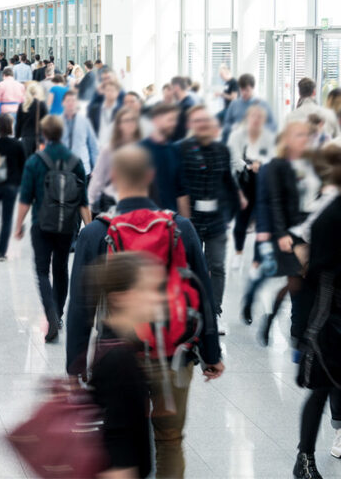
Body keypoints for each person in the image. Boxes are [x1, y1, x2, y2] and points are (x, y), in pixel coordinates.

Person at [67, 145, 224, 479]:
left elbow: (80, 306)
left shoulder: (96, 232)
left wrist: (75, 363)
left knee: (121, 443)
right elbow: (203, 295)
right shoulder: (181, 227)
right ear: (151, 178)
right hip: (176, 353)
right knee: (170, 440)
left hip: (119, 358)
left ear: (112, 179)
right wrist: (212, 353)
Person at [85, 252, 164, 479]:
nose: (157, 298)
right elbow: (118, 441)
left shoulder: (115, 341)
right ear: (121, 297)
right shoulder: (119, 358)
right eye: (147, 290)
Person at [15, 115, 91, 342]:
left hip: (42, 224)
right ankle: (58, 315)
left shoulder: (35, 161)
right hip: (67, 225)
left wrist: (18, 225)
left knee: (41, 270)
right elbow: (83, 200)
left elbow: (26, 198)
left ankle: (50, 312)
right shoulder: (76, 162)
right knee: (61, 268)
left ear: (44, 135)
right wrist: (88, 228)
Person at [290, 145, 341, 479]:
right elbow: (304, 268)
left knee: (327, 387)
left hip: (327, 311)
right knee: (322, 387)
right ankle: (304, 458)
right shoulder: (326, 212)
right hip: (328, 315)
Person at [247, 121, 318, 345]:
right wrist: (279, 234)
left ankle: (294, 327)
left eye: (306, 135)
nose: (304, 140)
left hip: (311, 226)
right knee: (296, 281)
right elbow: (274, 201)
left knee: (301, 283)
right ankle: (276, 322)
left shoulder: (312, 163)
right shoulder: (277, 166)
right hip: (291, 232)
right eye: (298, 135)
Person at [178, 106, 242, 324]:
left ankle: (214, 311)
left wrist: (229, 216)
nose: (203, 126)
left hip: (216, 222)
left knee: (217, 265)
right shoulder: (182, 149)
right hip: (190, 221)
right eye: (199, 122)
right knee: (191, 266)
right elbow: (177, 186)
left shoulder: (221, 150)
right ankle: (190, 309)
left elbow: (229, 184)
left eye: (207, 122)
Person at [228, 104, 276, 266]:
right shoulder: (237, 135)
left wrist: (260, 162)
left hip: (263, 180)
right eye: (253, 116)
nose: (256, 120)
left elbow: (272, 155)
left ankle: (256, 259)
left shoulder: (268, 137)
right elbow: (232, 157)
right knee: (242, 217)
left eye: (259, 117)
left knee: (262, 218)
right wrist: (247, 166)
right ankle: (238, 252)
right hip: (244, 179)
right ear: (247, 118)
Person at [0, 114, 26, 261]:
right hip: (11, 185)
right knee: (7, 218)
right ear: (11, 126)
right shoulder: (17, 144)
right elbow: (24, 165)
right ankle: (1, 252)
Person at [89, 106, 142, 215]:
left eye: (133, 120)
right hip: (112, 200)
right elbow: (98, 178)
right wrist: (91, 201)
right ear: (119, 125)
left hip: (137, 201)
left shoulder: (143, 148)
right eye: (126, 120)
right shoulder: (109, 149)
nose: (130, 124)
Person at [140, 103, 190, 214]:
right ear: (156, 120)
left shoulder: (175, 151)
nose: (174, 124)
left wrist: (186, 223)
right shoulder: (139, 150)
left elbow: (181, 192)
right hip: (145, 221)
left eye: (175, 120)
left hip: (170, 220)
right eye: (170, 119)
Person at [222, 73, 275, 141]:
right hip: (238, 142)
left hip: (256, 142)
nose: (244, 93)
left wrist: (257, 128)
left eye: (247, 90)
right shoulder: (234, 104)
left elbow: (273, 125)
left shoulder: (263, 104)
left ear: (253, 88)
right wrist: (234, 127)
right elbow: (226, 124)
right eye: (242, 90)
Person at [61, 89, 99, 174]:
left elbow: (93, 146)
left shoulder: (85, 121)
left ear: (77, 103)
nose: (71, 103)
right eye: (68, 101)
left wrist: (95, 168)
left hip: (82, 168)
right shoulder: (57, 122)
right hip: (62, 168)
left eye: (73, 100)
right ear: (63, 103)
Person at [16, 82, 47, 157]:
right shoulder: (41, 105)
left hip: (25, 138)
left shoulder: (22, 106)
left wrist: (17, 138)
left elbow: (18, 125)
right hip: (38, 139)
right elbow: (46, 124)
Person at [88, 79, 123, 145]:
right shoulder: (94, 110)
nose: (110, 93)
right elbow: (89, 130)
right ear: (104, 92)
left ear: (118, 93)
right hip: (97, 147)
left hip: (114, 148)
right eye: (107, 90)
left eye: (112, 90)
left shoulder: (121, 111)